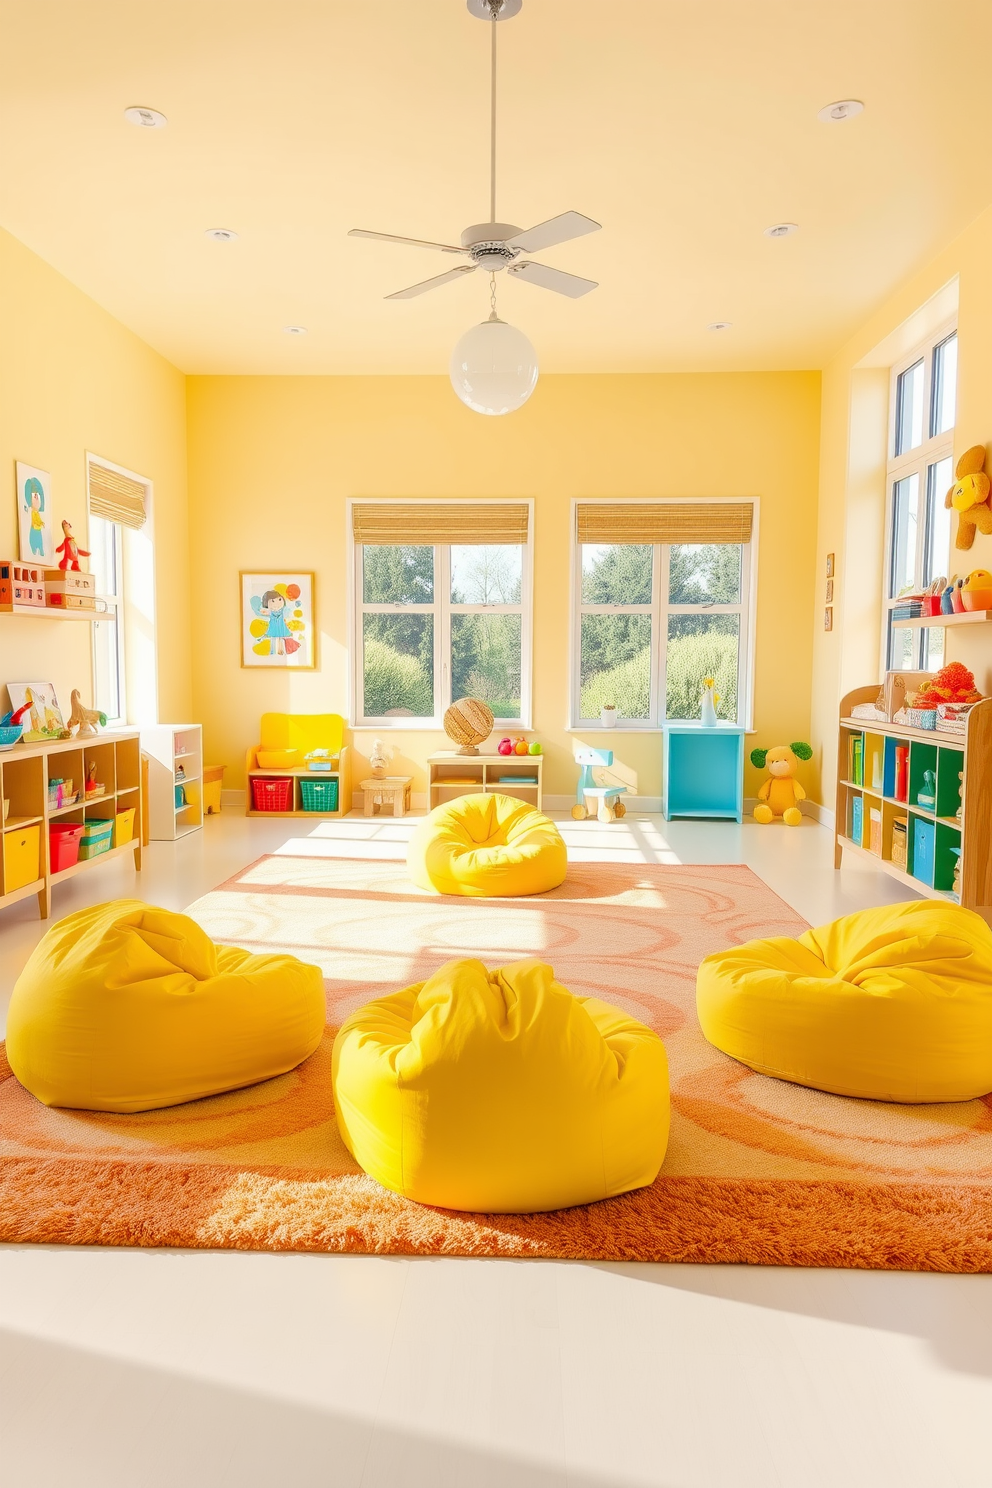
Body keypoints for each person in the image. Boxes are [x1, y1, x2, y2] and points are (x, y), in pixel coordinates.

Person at [260, 589, 291, 655]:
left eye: (280, 600)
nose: (277, 604)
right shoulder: (271, 612)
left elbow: (287, 613)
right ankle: (274, 650)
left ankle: (280, 650)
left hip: (281, 625)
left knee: (280, 638)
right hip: (274, 626)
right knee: (274, 638)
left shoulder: (282, 610)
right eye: (273, 601)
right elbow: (263, 612)